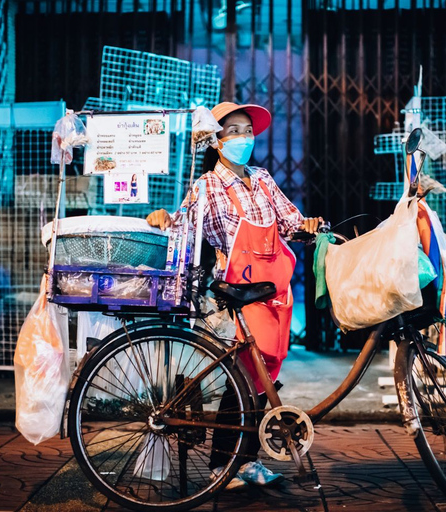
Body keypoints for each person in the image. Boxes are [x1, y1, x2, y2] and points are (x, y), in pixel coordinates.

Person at [146, 102, 322, 490]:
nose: (244, 137)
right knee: (246, 376)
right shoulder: (207, 184)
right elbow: (184, 226)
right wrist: (164, 220)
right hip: (235, 290)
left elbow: (290, 222)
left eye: (248, 130)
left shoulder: (262, 178)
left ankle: (238, 463)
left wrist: (309, 225)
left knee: (259, 378)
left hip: (271, 289)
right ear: (217, 140)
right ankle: (228, 465)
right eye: (234, 131)